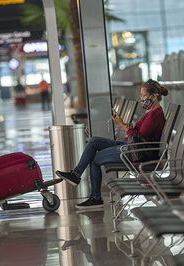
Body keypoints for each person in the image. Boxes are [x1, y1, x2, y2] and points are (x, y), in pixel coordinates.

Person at [56, 79, 168, 210]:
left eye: (143, 95)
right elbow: (137, 134)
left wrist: (121, 124)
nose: (141, 98)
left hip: (137, 152)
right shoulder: (151, 113)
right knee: (94, 142)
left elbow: (138, 138)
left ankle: (96, 198)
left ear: (154, 96)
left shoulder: (155, 115)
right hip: (131, 145)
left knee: (95, 160)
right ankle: (76, 175)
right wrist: (125, 125)